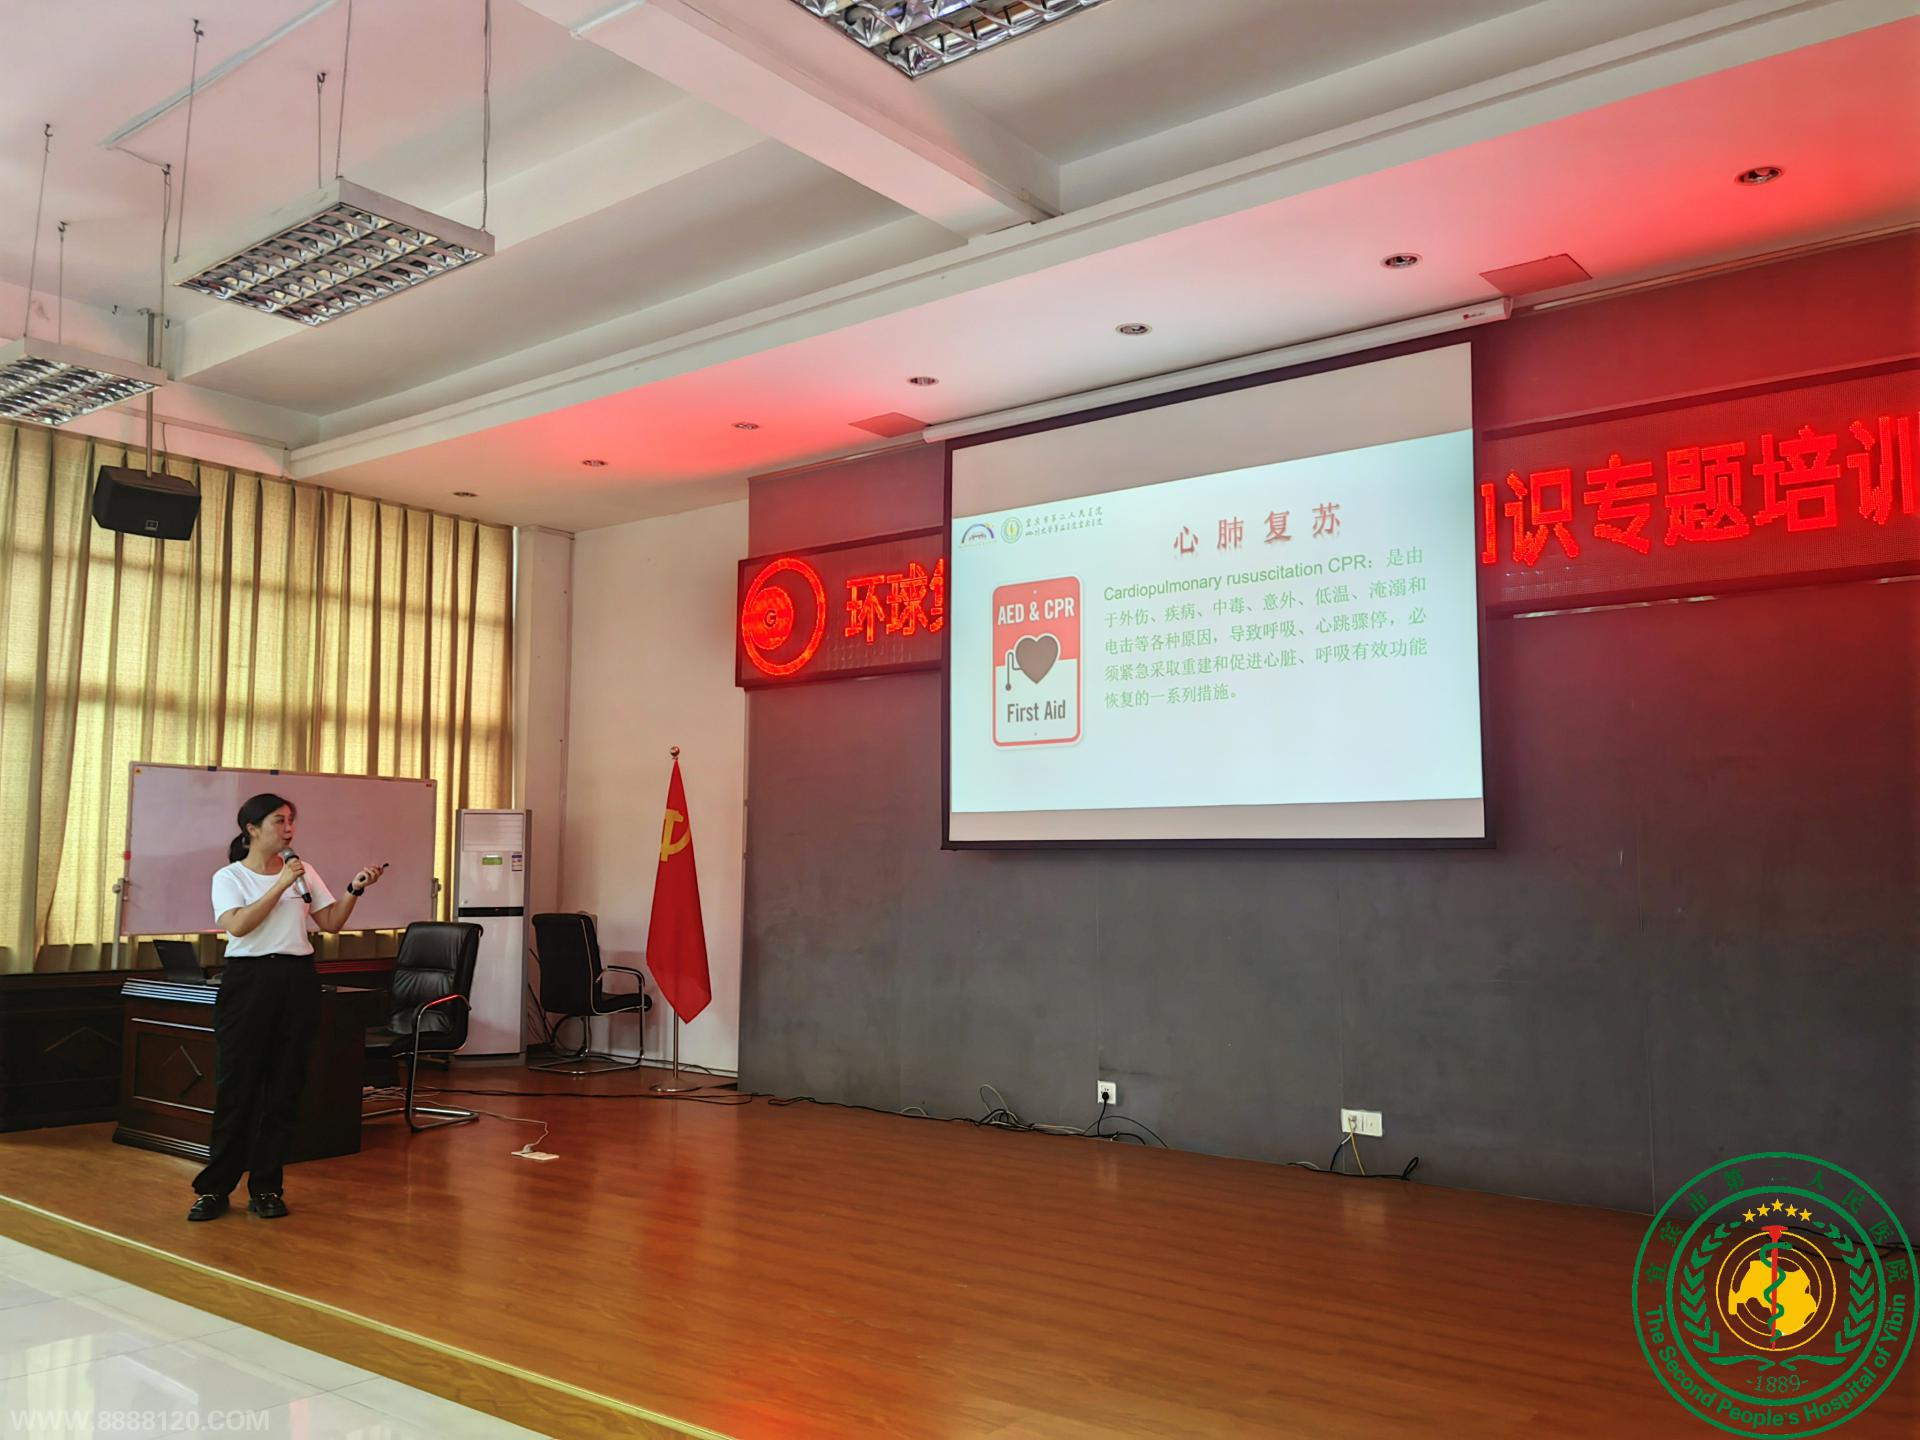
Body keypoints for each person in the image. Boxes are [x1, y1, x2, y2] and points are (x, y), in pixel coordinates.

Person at [187, 793, 385, 1222]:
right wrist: (280, 884)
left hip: (296, 979)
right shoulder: (230, 876)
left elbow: (330, 923)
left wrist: (354, 888)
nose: (289, 829)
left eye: (291, 821)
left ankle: (267, 1187)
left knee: (285, 1089)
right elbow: (238, 925)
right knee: (237, 1088)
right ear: (252, 829)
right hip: (248, 982)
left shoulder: (304, 871)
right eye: (279, 821)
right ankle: (215, 1189)